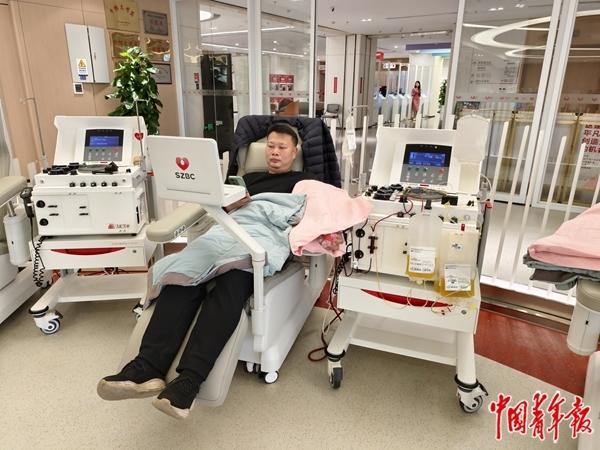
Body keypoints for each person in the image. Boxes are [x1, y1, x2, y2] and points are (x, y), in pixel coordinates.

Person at [97, 123, 316, 419]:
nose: (274, 152)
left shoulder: (305, 183)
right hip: (225, 233)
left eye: (282, 147)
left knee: (231, 284)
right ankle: (146, 367)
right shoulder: (246, 179)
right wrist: (231, 204)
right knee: (182, 276)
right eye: (270, 146)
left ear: (295, 151)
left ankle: (189, 382)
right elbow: (219, 209)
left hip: (258, 239)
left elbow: (314, 213)